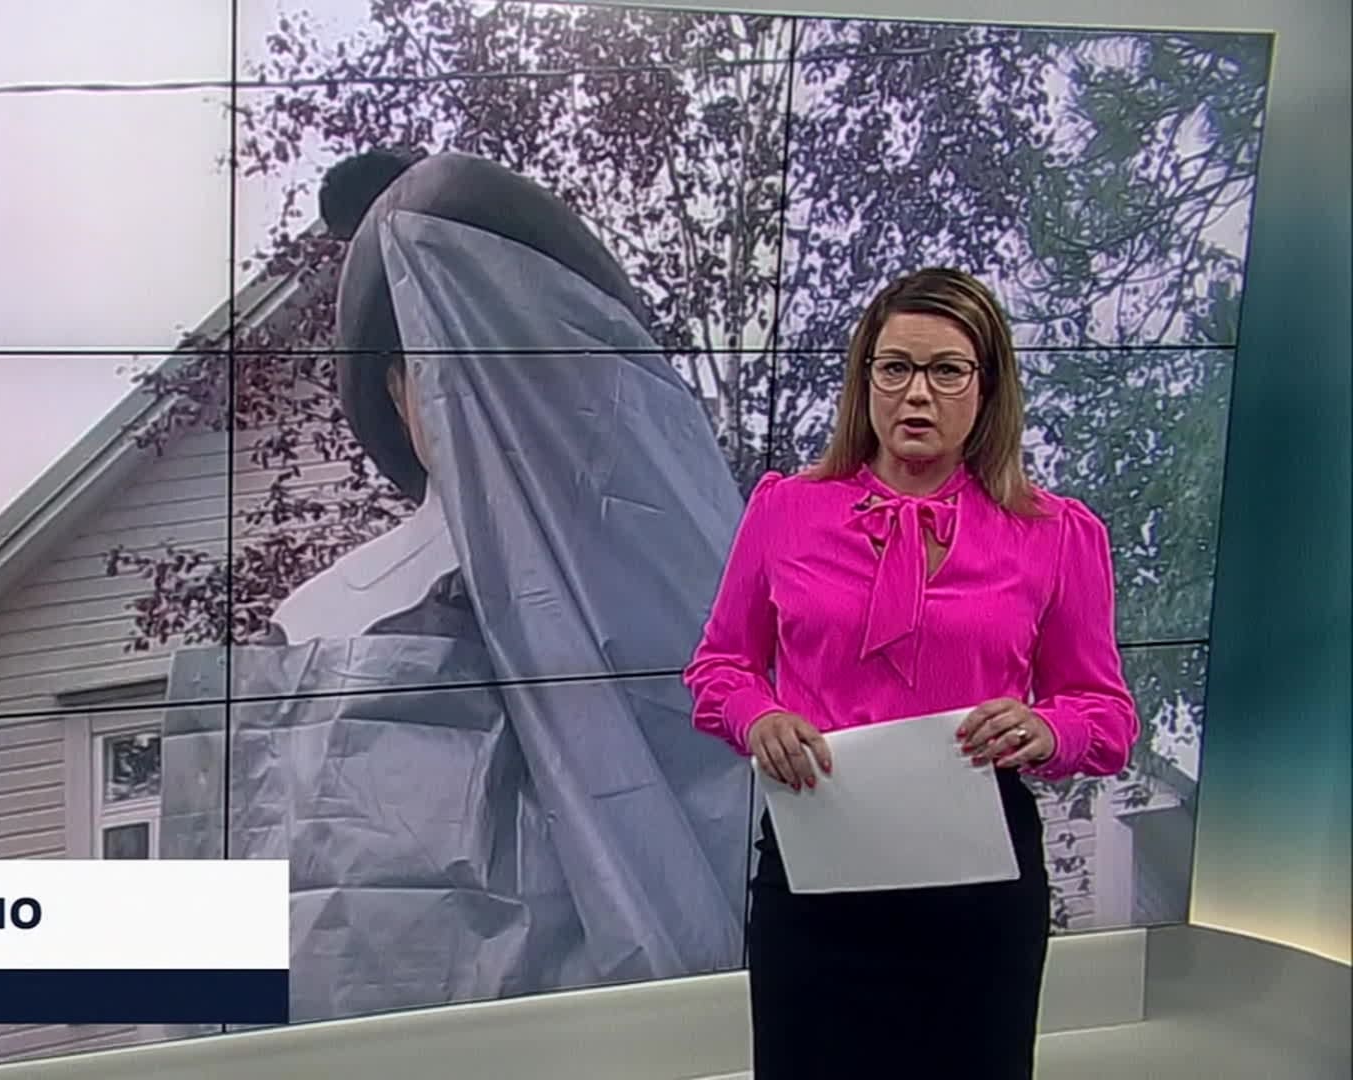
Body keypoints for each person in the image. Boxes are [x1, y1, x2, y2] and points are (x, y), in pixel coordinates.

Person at [158, 147, 754, 1022]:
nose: (477, 384)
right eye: (441, 354)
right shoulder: (321, 624)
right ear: (398, 392)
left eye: (513, 346)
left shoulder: (705, 584)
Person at [683, 267, 1140, 1079]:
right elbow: (721, 666)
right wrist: (758, 717)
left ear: (987, 387)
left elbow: (1104, 714)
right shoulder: (786, 510)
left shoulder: (1056, 533)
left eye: (946, 371)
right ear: (865, 380)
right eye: (894, 368)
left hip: (977, 886)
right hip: (818, 868)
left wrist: (1047, 727)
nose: (916, 394)